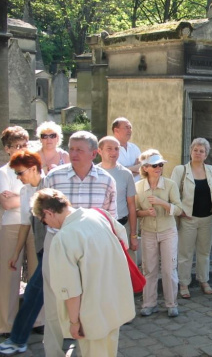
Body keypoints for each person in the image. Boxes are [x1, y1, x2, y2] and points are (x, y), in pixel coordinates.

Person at [31, 189, 135, 357]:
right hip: (114, 303)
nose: (48, 225)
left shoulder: (63, 238)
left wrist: (74, 322)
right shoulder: (98, 215)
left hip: (92, 313)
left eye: (44, 221)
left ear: (48, 213)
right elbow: (124, 242)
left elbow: (70, 289)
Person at [42, 130, 117, 357]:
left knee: (89, 301)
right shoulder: (54, 177)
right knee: (55, 301)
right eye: (71, 148)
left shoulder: (106, 180)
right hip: (56, 242)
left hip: (92, 248)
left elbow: (110, 219)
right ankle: (53, 352)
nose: (73, 153)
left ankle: (86, 351)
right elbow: (40, 212)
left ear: (93, 153)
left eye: (79, 150)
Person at [0, 150, 45, 355]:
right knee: (35, 292)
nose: (18, 177)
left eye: (20, 173)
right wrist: (16, 253)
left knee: (34, 291)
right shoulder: (26, 191)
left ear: (33, 168)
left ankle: (18, 339)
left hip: (58, 246)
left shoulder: (51, 183)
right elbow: (26, 224)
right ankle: (19, 339)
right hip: (42, 247)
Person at [171, 138, 212, 298]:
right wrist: (180, 211)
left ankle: (203, 280)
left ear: (206, 154)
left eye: (202, 151)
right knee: (185, 253)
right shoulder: (180, 170)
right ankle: (184, 283)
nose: (198, 153)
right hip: (188, 218)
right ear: (190, 152)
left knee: (204, 252)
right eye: (196, 150)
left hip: (207, 218)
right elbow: (173, 194)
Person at [136, 150, 183, 317]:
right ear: (146, 167)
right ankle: (149, 303)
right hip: (148, 231)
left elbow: (179, 209)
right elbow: (135, 212)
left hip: (168, 231)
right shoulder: (138, 187)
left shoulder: (170, 184)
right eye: (155, 165)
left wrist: (162, 203)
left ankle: (171, 303)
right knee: (149, 268)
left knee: (169, 268)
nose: (159, 167)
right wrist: (145, 213)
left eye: (161, 164)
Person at [97, 136, 138, 261]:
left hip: (122, 227)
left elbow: (131, 205)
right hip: (100, 229)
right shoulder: (93, 173)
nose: (114, 152)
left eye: (116, 149)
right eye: (109, 149)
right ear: (99, 151)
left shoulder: (126, 174)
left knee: (128, 268)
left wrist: (133, 235)